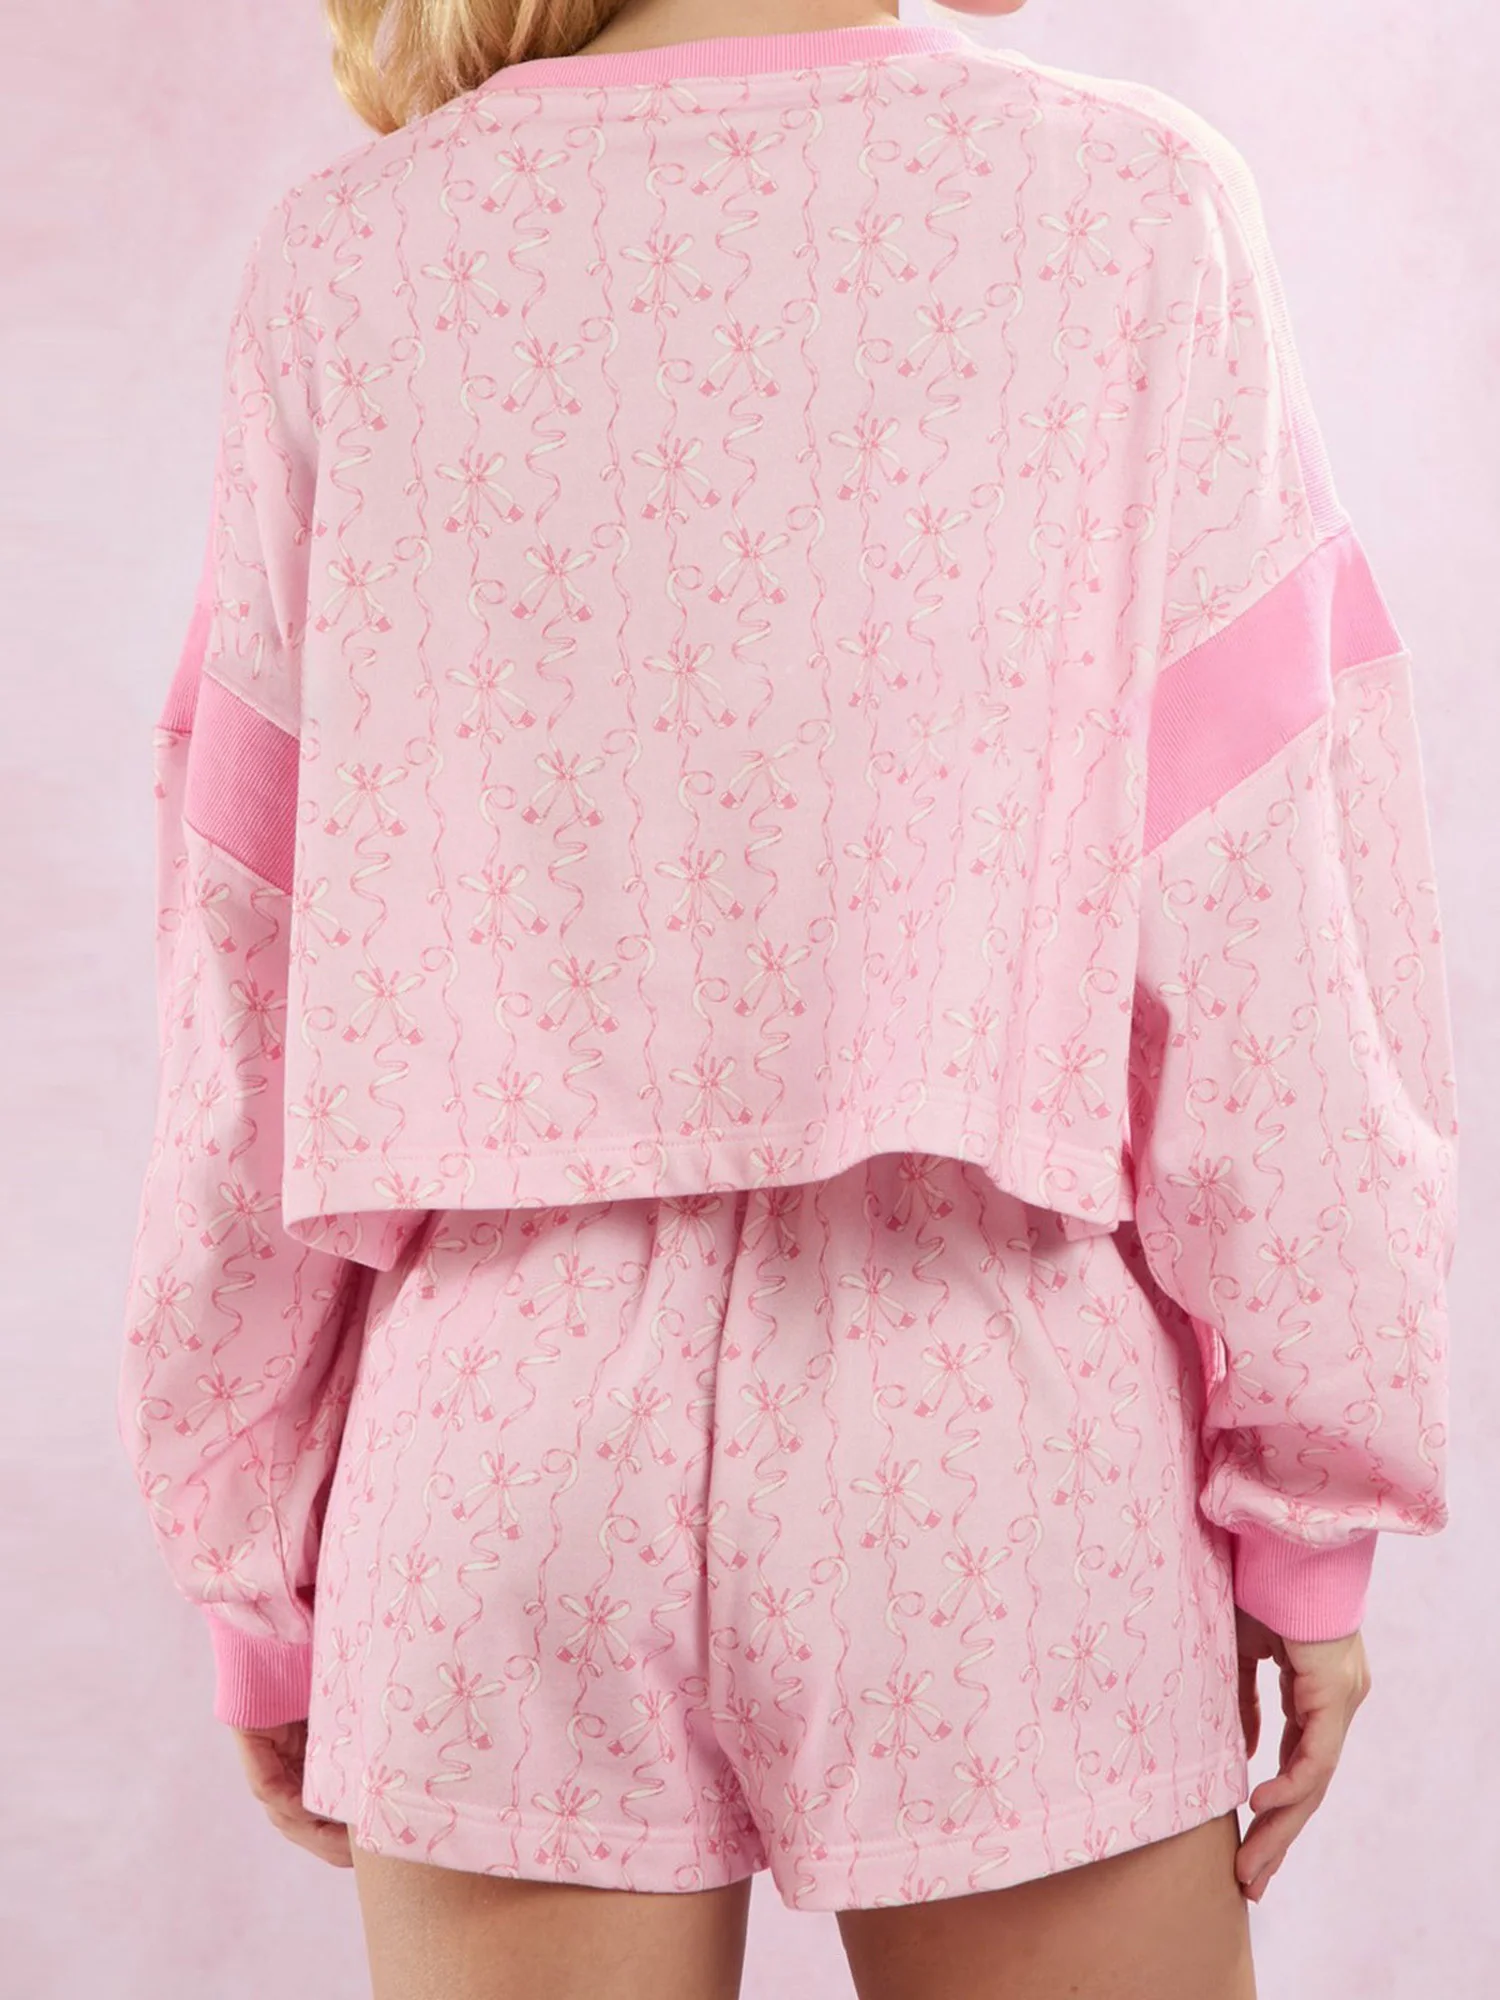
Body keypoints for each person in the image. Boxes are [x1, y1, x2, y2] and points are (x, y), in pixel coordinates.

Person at [115, 0, 1457, 1993]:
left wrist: (251, 1545)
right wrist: (1309, 1515)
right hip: (991, 1418)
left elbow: (253, 948)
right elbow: (1266, 910)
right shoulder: (1131, 206)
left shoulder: (356, 258)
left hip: (495, 1450)